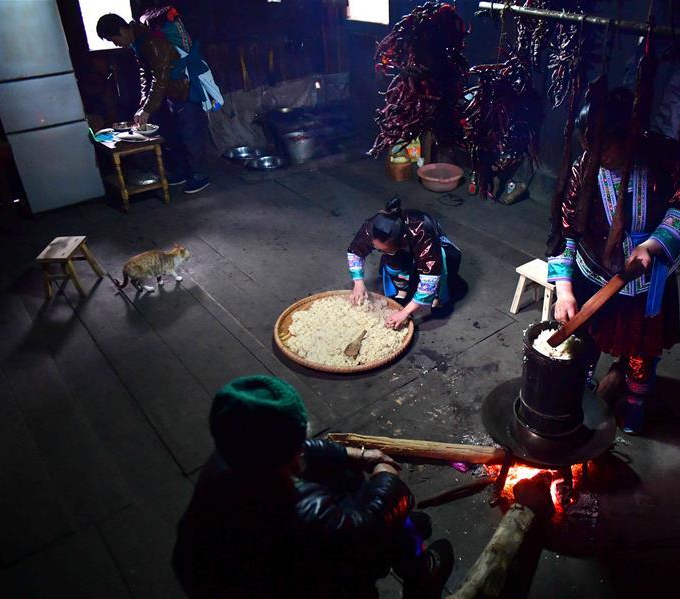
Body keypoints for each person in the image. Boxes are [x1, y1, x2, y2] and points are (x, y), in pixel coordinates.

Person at [172, 375, 454, 598]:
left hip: (226, 566)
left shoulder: (236, 452)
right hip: (281, 584)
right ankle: (421, 578)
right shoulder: (301, 509)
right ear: (285, 452)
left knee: (346, 477)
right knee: (388, 529)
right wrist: (388, 479)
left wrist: (354, 454)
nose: (301, 449)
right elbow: (367, 528)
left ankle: (407, 542)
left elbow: (304, 450)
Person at [547, 87, 680, 435]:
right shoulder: (584, 167)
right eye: (591, 148)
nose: (598, 157)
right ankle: (584, 396)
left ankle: (634, 406)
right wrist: (565, 290)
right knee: (587, 342)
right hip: (593, 275)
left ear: (630, 135)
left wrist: (653, 245)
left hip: (645, 281)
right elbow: (565, 231)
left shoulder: (666, 157)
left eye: (606, 149)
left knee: (641, 353)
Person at [96, 11, 211, 194]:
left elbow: (160, 78)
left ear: (122, 30)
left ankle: (199, 175)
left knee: (190, 134)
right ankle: (183, 171)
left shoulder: (150, 41)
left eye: (113, 39)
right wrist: (144, 105)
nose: (115, 43)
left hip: (185, 89)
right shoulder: (137, 42)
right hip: (171, 92)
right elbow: (145, 73)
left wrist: (148, 109)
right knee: (174, 135)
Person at [348, 197, 462, 329]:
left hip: (434, 247)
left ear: (401, 241)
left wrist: (405, 313)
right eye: (377, 248)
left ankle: (438, 296)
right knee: (392, 262)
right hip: (399, 248)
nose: (378, 251)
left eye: (382, 249)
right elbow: (355, 251)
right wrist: (358, 282)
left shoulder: (422, 230)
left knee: (441, 262)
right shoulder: (371, 228)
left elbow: (430, 278)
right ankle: (401, 289)